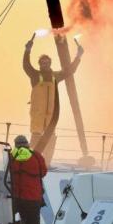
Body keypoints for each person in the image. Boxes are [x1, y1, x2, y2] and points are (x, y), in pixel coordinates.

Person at [23, 34, 83, 162]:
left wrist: (78, 56)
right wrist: (27, 50)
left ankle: (47, 165)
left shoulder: (55, 77)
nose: (45, 64)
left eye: (47, 62)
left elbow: (70, 70)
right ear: (39, 64)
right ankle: (28, 162)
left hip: (51, 117)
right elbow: (26, 66)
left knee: (50, 142)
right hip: (38, 117)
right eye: (43, 63)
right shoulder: (35, 75)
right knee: (35, 142)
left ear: (50, 63)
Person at [10, 135, 48, 224]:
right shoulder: (36, 155)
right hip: (33, 196)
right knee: (33, 222)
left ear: (15, 144)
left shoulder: (11, 156)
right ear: (27, 143)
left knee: (12, 220)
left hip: (15, 196)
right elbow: (43, 172)